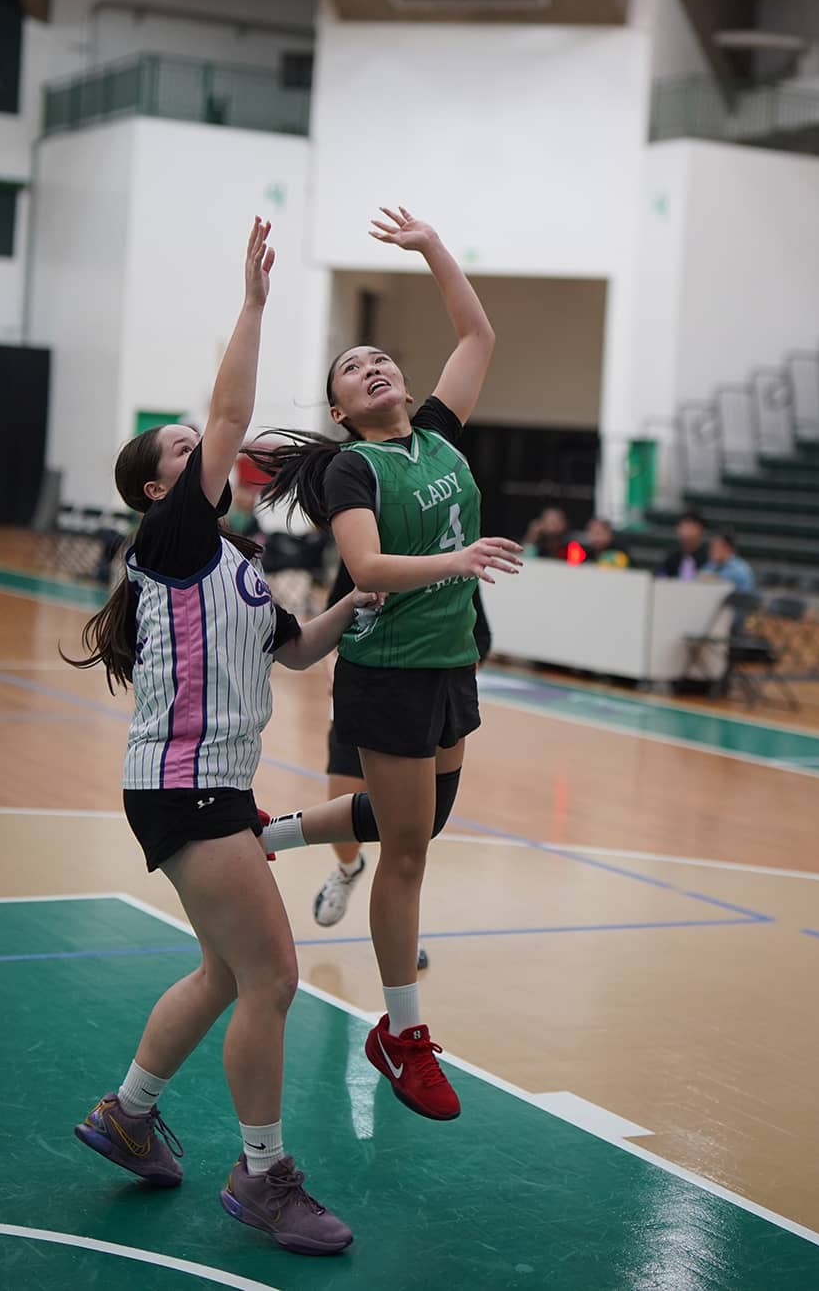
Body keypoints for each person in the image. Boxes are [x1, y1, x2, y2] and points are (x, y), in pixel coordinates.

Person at [66, 219, 365, 1257]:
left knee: (230, 973)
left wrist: (362, 604)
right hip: (185, 786)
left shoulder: (233, 560)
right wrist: (253, 303)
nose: (206, 453)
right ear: (157, 490)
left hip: (209, 786)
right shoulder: (175, 536)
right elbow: (230, 410)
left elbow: (296, 651)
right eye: (185, 452)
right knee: (273, 977)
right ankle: (265, 1176)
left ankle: (128, 1113)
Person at [248, 206, 522, 1124]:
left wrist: (435, 245)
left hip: (450, 662)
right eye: (353, 370)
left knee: (425, 820)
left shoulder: (439, 433)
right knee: (406, 851)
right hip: (389, 668)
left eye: (379, 359)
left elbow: (478, 331)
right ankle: (401, 1034)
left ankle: (272, 835)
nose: (375, 367)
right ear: (341, 410)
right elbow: (364, 571)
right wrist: (460, 560)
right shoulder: (350, 472)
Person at [312, 567, 493, 943]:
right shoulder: (365, 556)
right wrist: (333, 668)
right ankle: (348, 868)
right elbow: (335, 621)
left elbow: (481, 638)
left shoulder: (450, 562)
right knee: (344, 817)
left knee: (409, 839)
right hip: (365, 694)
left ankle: (403, 932)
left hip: (422, 707)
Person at [657, 512, 709, 580]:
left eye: (692, 527)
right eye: (685, 527)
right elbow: (661, 574)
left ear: (700, 529)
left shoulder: (708, 556)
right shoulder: (672, 555)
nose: (688, 532)